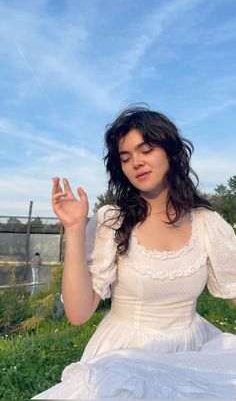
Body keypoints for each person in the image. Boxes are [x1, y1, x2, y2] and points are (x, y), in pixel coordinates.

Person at [33, 105, 236, 400]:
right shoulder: (112, 221)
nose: (136, 163)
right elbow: (78, 313)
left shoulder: (206, 223)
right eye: (125, 158)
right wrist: (75, 228)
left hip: (190, 351)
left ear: (170, 152)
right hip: (125, 355)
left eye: (146, 150)